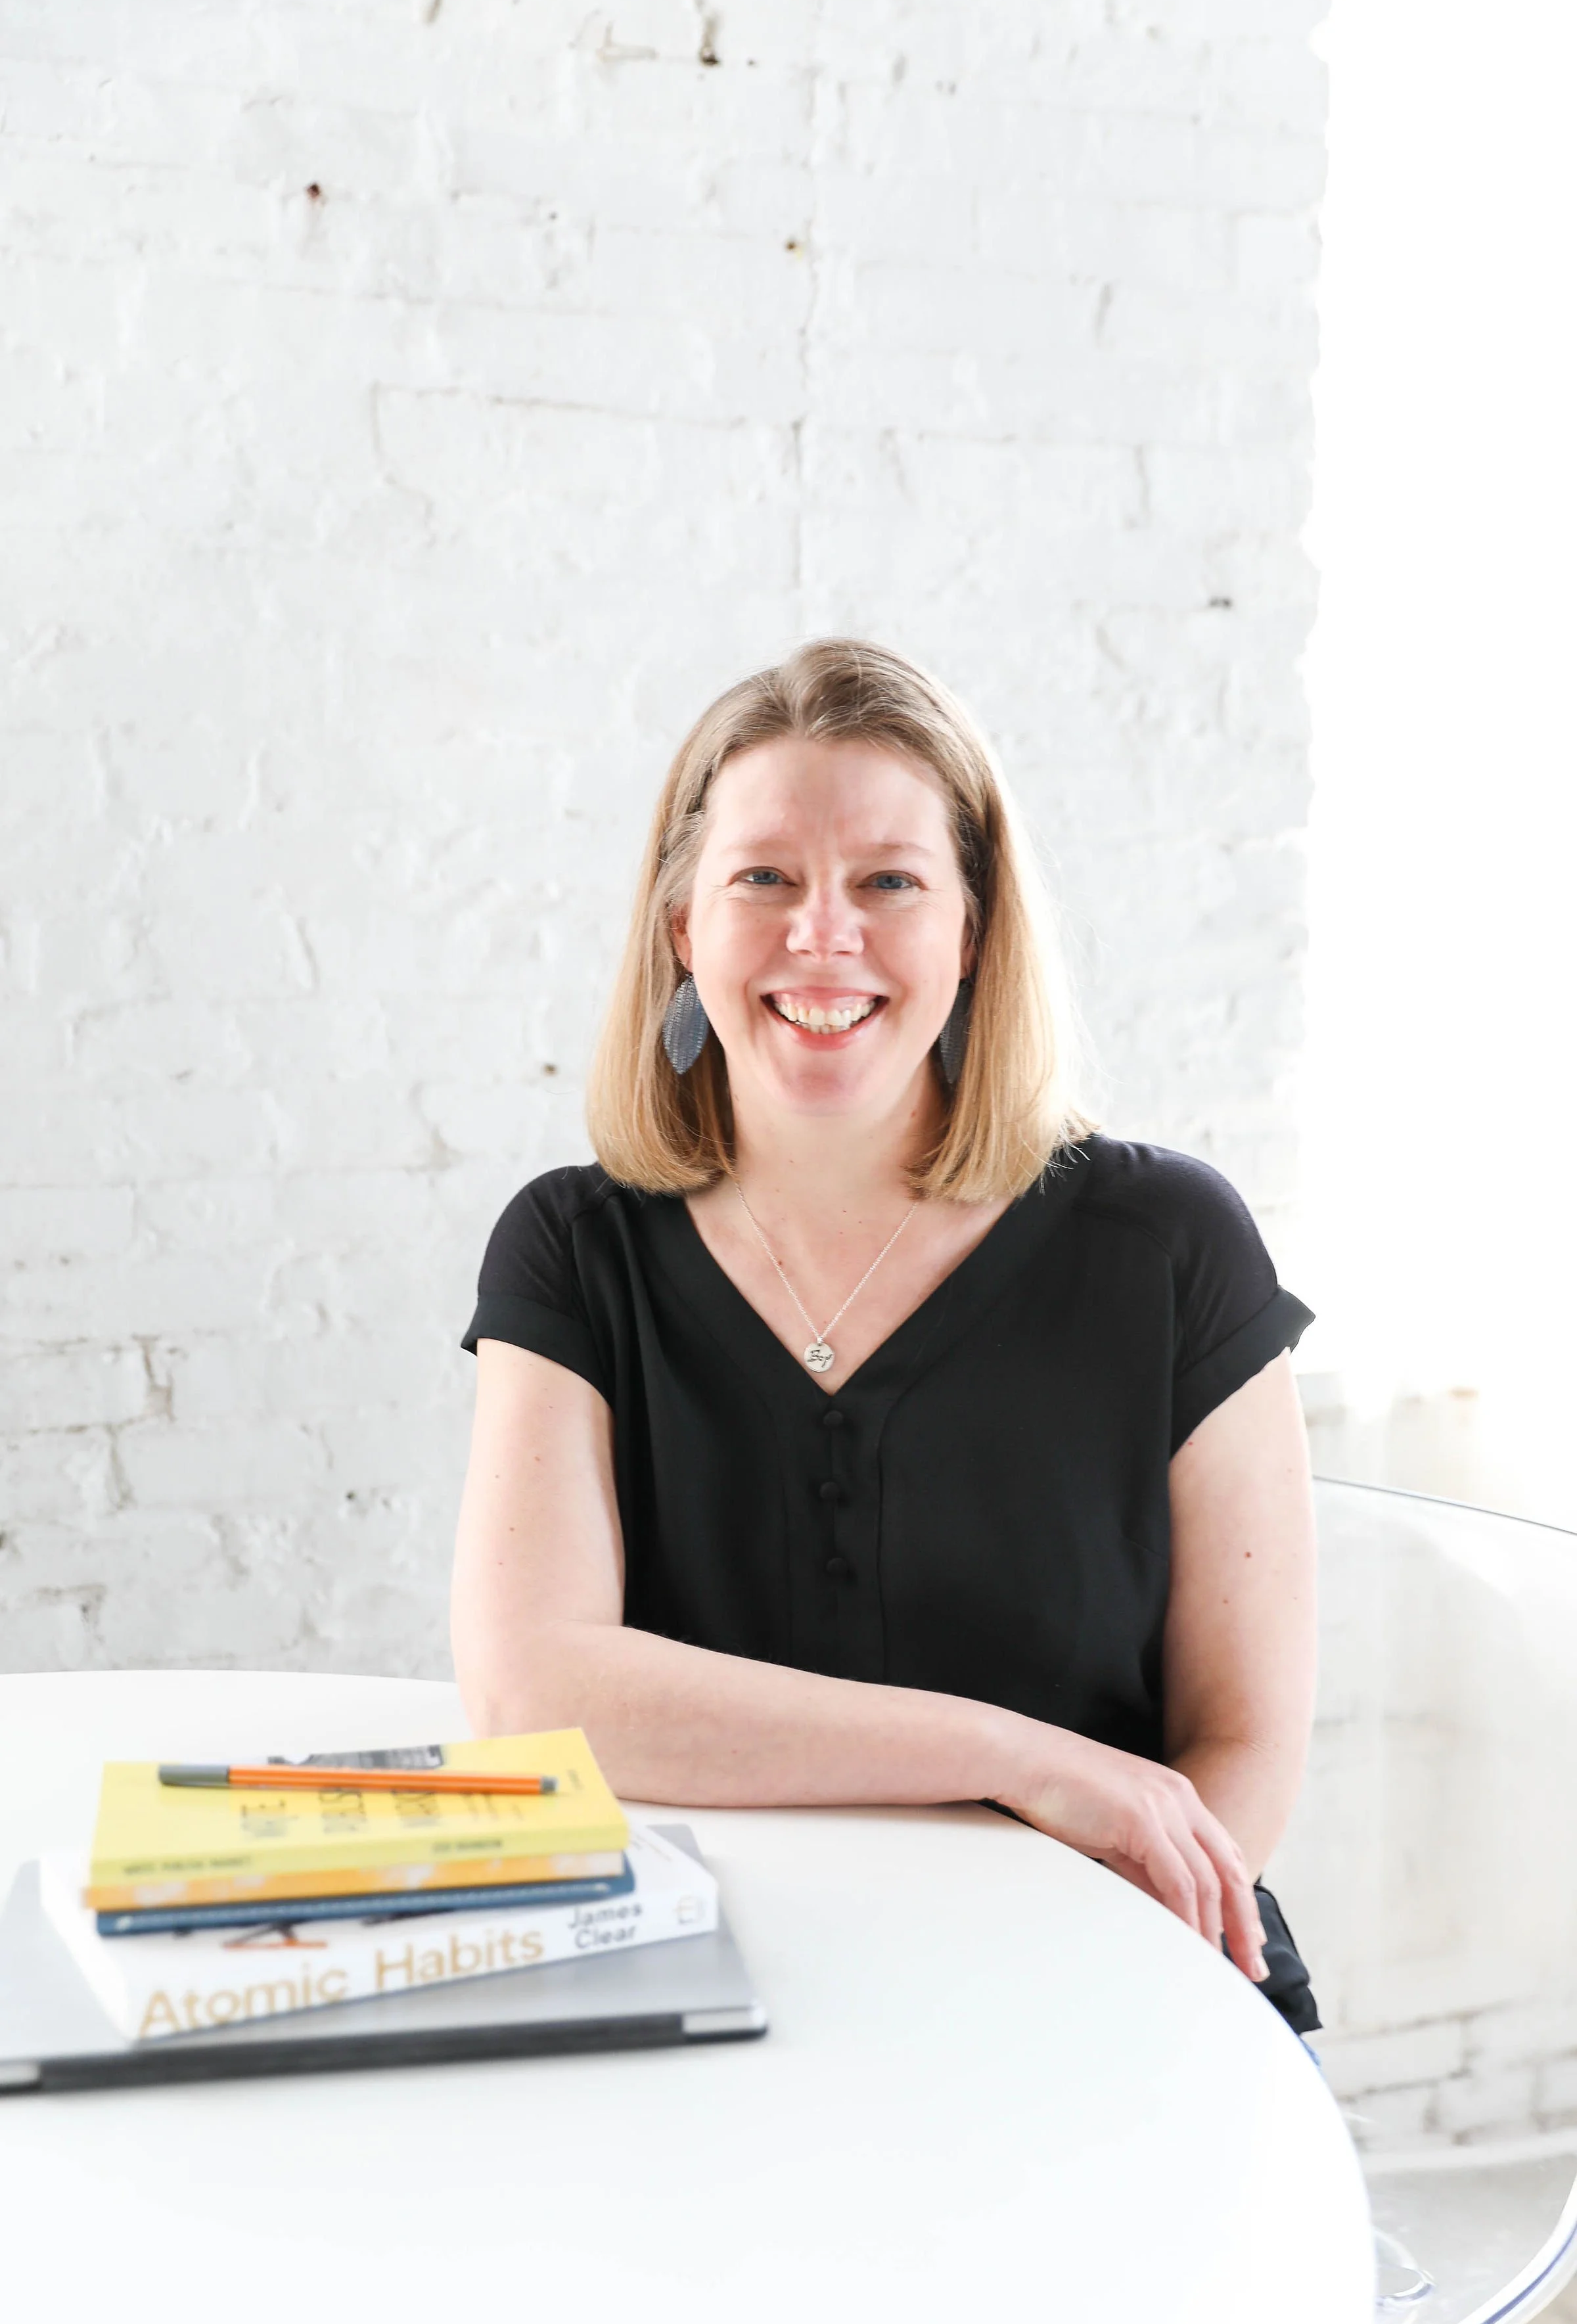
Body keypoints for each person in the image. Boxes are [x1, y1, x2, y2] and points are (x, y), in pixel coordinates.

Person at [451, 639, 1320, 2030]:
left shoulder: (1171, 1246)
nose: (823, 935)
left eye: (891, 882)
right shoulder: (573, 1249)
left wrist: (1070, 1982)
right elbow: (534, 1695)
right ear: (685, 924)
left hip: (1111, 1990)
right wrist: (1009, 1757)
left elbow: (1246, 1747)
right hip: (722, 2007)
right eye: (765, 879)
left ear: (973, 933)